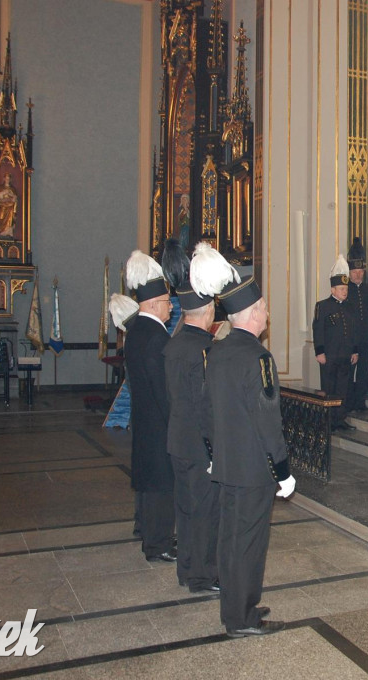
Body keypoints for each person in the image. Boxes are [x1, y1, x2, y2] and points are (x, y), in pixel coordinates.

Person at [191, 242, 293, 638]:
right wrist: (283, 471)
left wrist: (214, 454)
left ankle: (236, 602)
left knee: (231, 537)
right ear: (252, 314)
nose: (267, 313)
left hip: (227, 464)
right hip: (254, 470)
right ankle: (242, 617)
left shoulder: (215, 352)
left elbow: (205, 410)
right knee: (249, 542)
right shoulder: (259, 359)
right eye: (264, 307)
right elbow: (269, 420)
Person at [163, 281, 220, 593]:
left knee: (185, 509)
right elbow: (205, 405)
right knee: (204, 512)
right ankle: (202, 575)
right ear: (209, 311)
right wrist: (215, 447)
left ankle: (186, 569)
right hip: (200, 445)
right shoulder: (204, 350)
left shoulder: (174, 344)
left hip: (178, 440)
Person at [123, 250, 176, 563]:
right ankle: (159, 543)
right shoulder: (156, 336)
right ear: (155, 303)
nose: (171, 306)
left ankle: (146, 529)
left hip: (143, 417)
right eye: (168, 302)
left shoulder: (136, 331)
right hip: (159, 422)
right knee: (160, 483)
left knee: (147, 479)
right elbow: (164, 388)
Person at [313, 254, 358, 430]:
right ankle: (329, 421)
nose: (344, 292)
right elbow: (318, 330)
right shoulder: (322, 306)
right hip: (329, 356)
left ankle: (340, 419)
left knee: (343, 389)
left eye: (345, 289)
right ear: (333, 290)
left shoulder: (350, 306)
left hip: (345, 356)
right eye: (340, 289)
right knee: (329, 389)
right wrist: (319, 352)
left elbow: (353, 331)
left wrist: (354, 351)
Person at [345, 238, 368, 412]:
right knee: (350, 372)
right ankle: (348, 402)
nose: (358, 274)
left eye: (360, 271)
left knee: (364, 371)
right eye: (355, 271)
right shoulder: (345, 290)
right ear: (349, 272)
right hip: (350, 339)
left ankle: (360, 401)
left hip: (365, 337)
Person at [0, 172, 19, 239]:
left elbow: (15, 199)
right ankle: (2, 232)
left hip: (10, 208)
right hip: (3, 207)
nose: (7, 180)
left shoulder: (12, 189)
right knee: (1, 219)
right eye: (6, 179)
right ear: (4, 179)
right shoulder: (0, 188)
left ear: (10, 180)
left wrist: (11, 197)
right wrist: (5, 197)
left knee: (10, 221)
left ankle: (8, 232)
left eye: (8, 179)